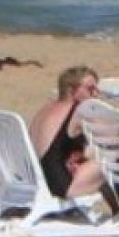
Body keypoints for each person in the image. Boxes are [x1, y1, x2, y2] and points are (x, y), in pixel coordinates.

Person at [26, 64, 104, 201]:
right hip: (59, 185)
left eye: (97, 88)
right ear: (71, 90)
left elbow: (57, 148)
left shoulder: (46, 109)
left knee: (94, 157)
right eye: (90, 89)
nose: (97, 93)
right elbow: (108, 140)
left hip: (37, 181)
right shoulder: (77, 112)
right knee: (112, 160)